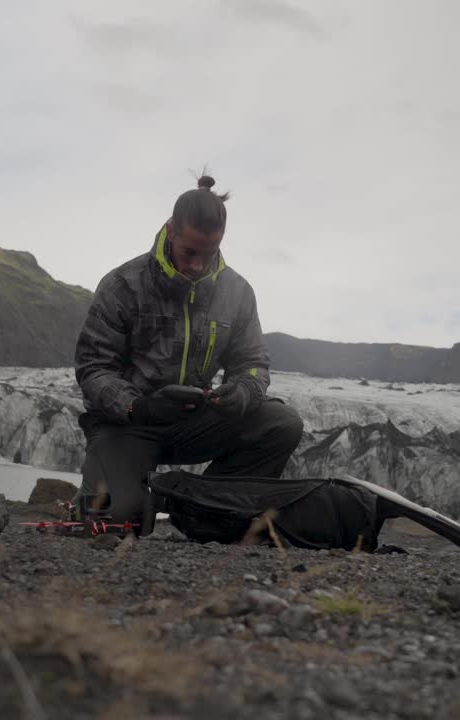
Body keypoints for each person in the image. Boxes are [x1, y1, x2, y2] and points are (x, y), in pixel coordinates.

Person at [72, 174, 304, 523]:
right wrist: (138, 406)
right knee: (117, 520)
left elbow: (254, 363)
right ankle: (129, 498)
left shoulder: (238, 292)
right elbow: (93, 367)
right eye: (189, 252)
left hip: (197, 423)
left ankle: (202, 511)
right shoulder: (123, 284)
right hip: (128, 425)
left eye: (208, 254)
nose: (197, 265)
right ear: (170, 230)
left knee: (282, 424)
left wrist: (242, 393)